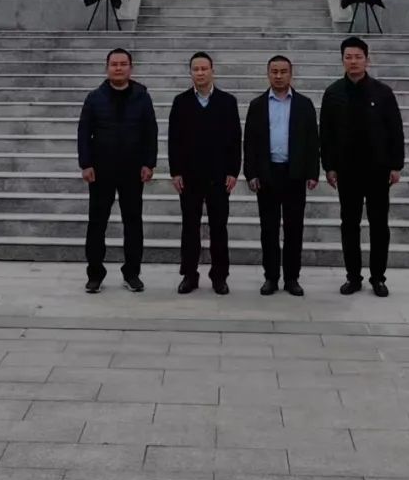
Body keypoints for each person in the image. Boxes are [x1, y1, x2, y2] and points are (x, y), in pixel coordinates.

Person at [319, 35, 405, 297]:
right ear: (342, 60)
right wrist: (329, 167)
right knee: (349, 224)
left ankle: (378, 277)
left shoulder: (382, 92)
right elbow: (326, 134)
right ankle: (353, 277)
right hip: (347, 171)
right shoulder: (333, 93)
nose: (353, 61)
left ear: (367, 60)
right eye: (348, 57)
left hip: (378, 170)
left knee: (379, 224)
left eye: (358, 57)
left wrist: (396, 165)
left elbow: (395, 130)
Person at [77, 46, 157, 294]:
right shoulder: (94, 97)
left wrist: (149, 163)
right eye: (114, 64)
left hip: (133, 170)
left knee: (133, 222)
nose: (119, 68)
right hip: (101, 170)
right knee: (97, 223)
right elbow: (83, 133)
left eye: (123, 64)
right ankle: (95, 274)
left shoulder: (142, 97)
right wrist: (86, 164)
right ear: (107, 67)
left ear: (130, 68)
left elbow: (150, 132)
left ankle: (132, 273)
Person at [242, 54, 319, 296]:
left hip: (294, 174)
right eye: (274, 71)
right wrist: (251, 173)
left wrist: (312, 172)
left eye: (283, 71)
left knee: (294, 229)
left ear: (291, 73)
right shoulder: (257, 105)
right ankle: (271, 277)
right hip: (267, 174)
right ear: (268, 74)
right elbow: (250, 143)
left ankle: (292, 278)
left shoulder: (304, 104)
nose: (278, 76)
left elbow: (312, 141)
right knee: (269, 229)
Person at [168, 51, 242, 295]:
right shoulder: (181, 102)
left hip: (219, 176)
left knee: (219, 227)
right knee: (190, 226)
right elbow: (174, 140)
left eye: (204, 69)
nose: (200, 73)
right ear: (190, 72)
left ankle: (219, 276)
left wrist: (233, 171)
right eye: (195, 69)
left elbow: (235, 139)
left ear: (212, 71)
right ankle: (189, 274)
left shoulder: (227, 101)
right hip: (189, 176)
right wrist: (175, 171)